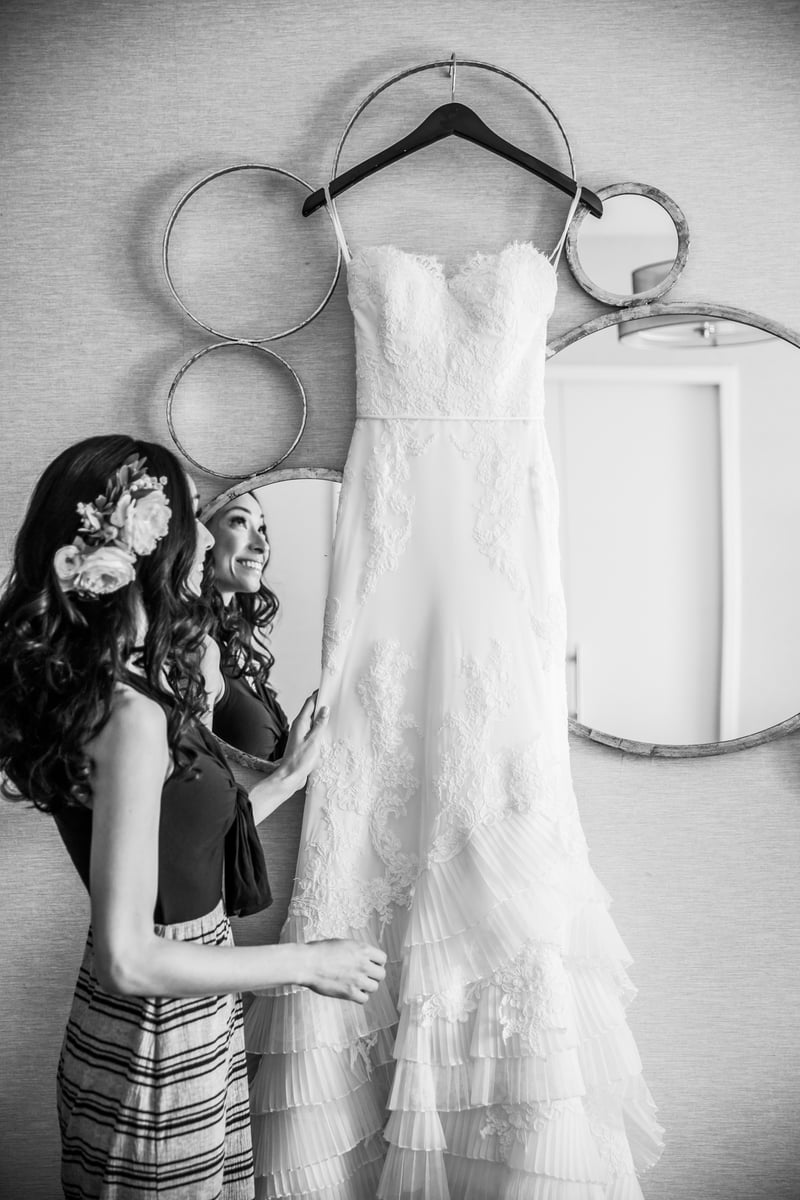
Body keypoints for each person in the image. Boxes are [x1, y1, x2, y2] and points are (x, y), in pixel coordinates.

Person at [0, 434, 386, 1200]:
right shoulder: (128, 714)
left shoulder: (131, 682)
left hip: (187, 1007)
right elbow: (131, 959)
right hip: (153, 1037)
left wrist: (288, 776)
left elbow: (180, 848)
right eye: (191, 518)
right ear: (148, 545)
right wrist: (310, 964)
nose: (208, 539)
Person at [203, 492, 289, 760]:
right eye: (239, 522)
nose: (262, 544)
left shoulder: (235, 643)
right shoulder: (196, 647)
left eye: (261, 528)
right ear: (201, 533)